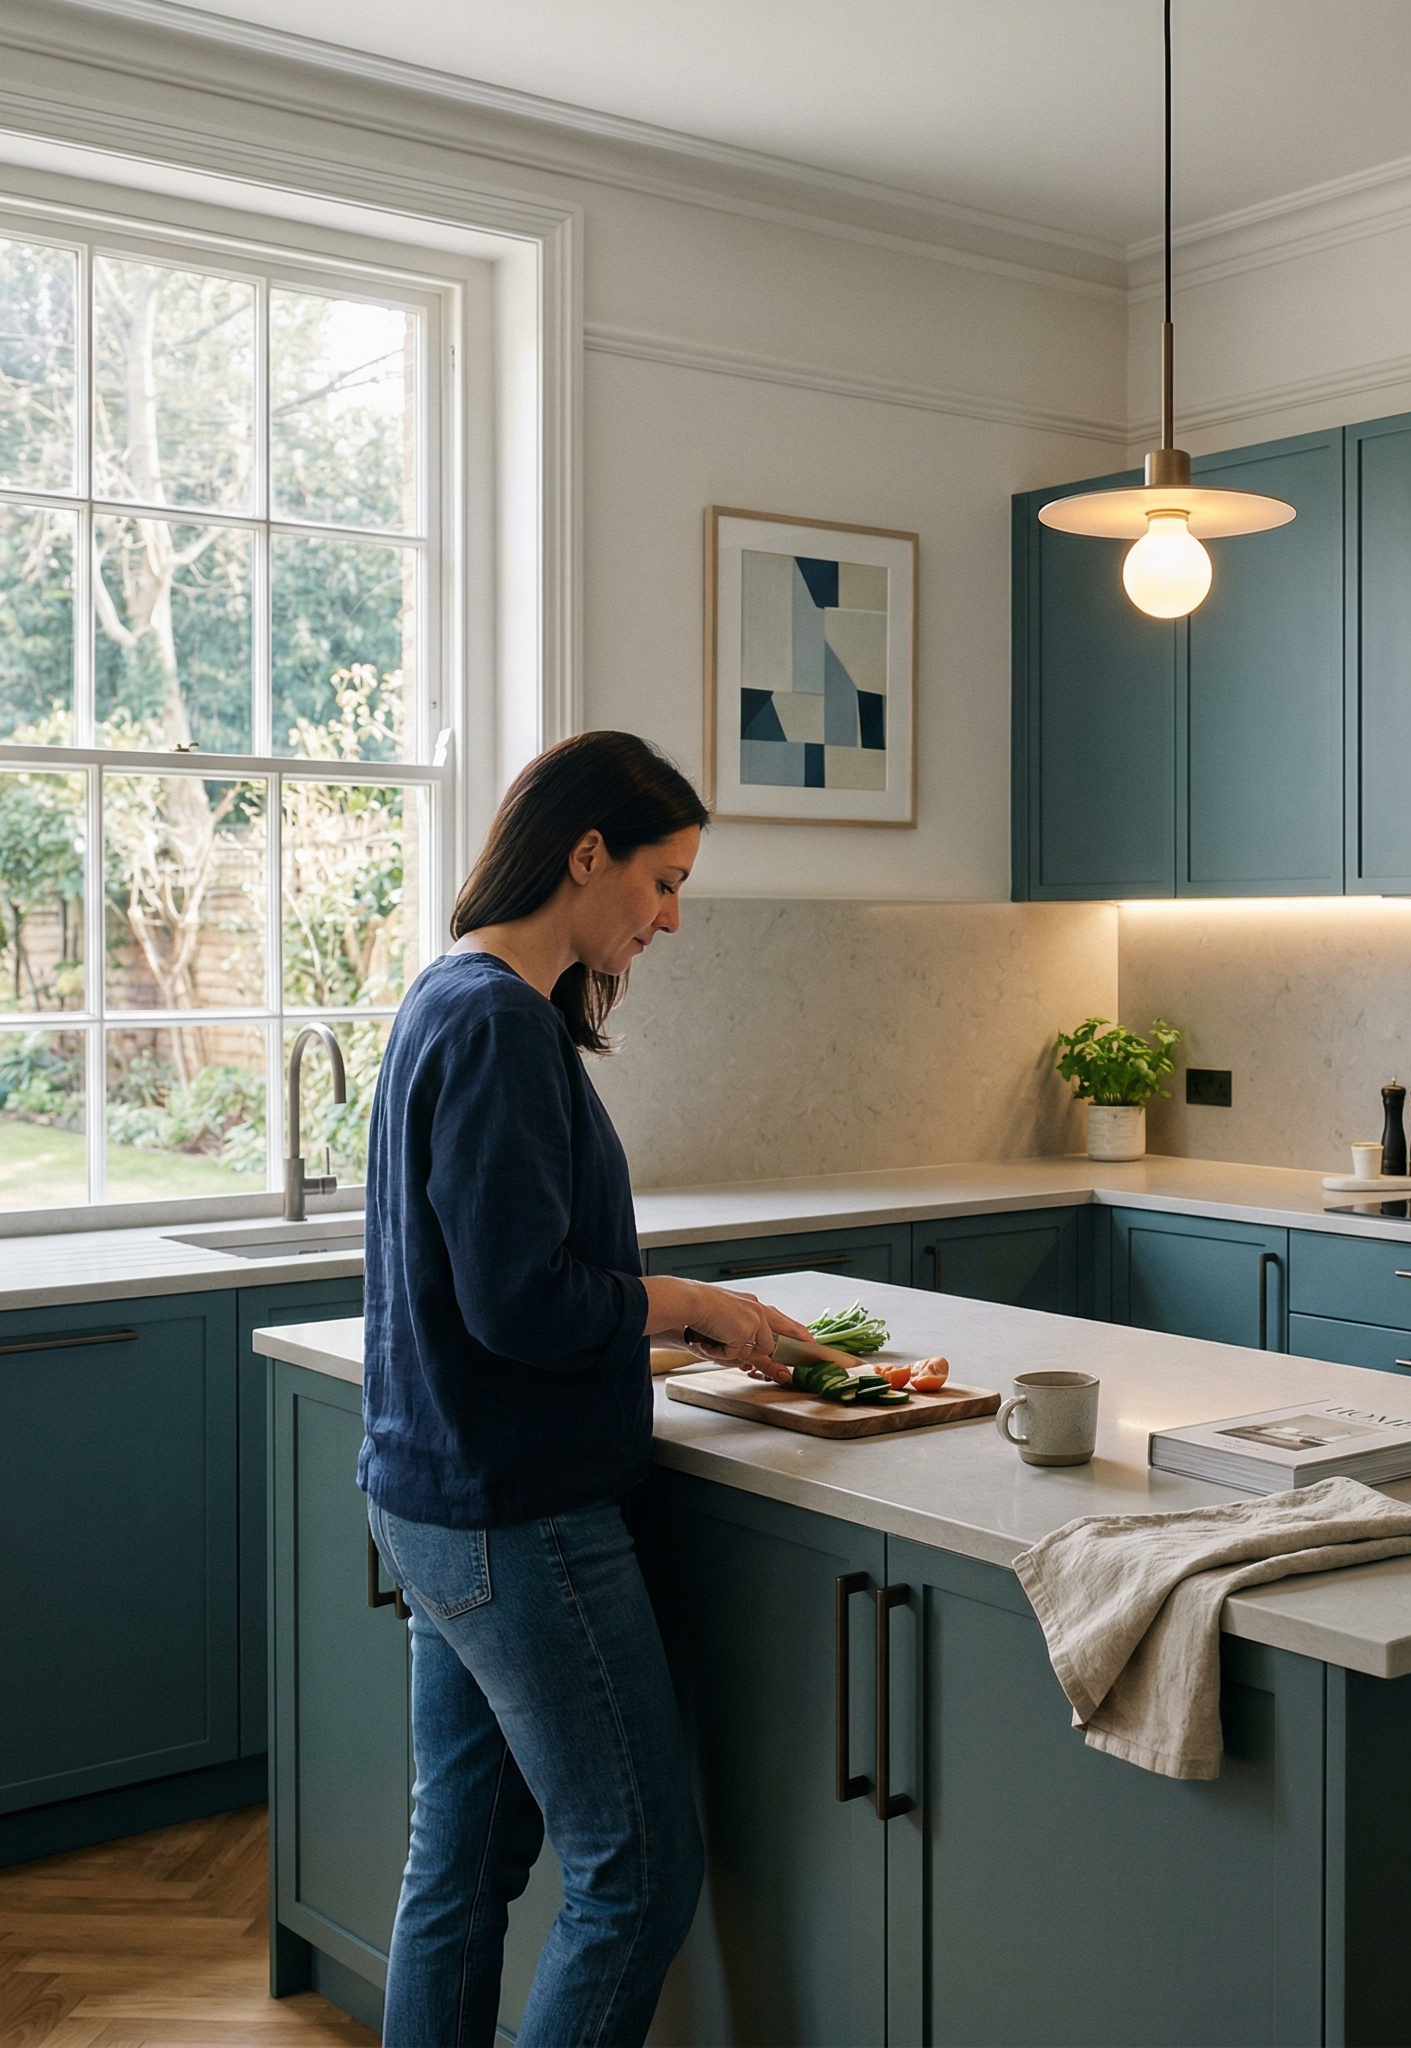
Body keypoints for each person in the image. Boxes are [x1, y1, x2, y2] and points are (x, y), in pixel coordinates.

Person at [359, 729, 811, 2047]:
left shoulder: (450, 996)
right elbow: (524, 1302)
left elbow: (488, 1291)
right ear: (586, 852)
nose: (670, 918)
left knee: (462, 1863)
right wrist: (691, 1305)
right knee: (636, 1871)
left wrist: (665, 1332)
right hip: (520, 1515)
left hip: (437, 1500)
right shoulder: (499, 1021)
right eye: (662, 881)